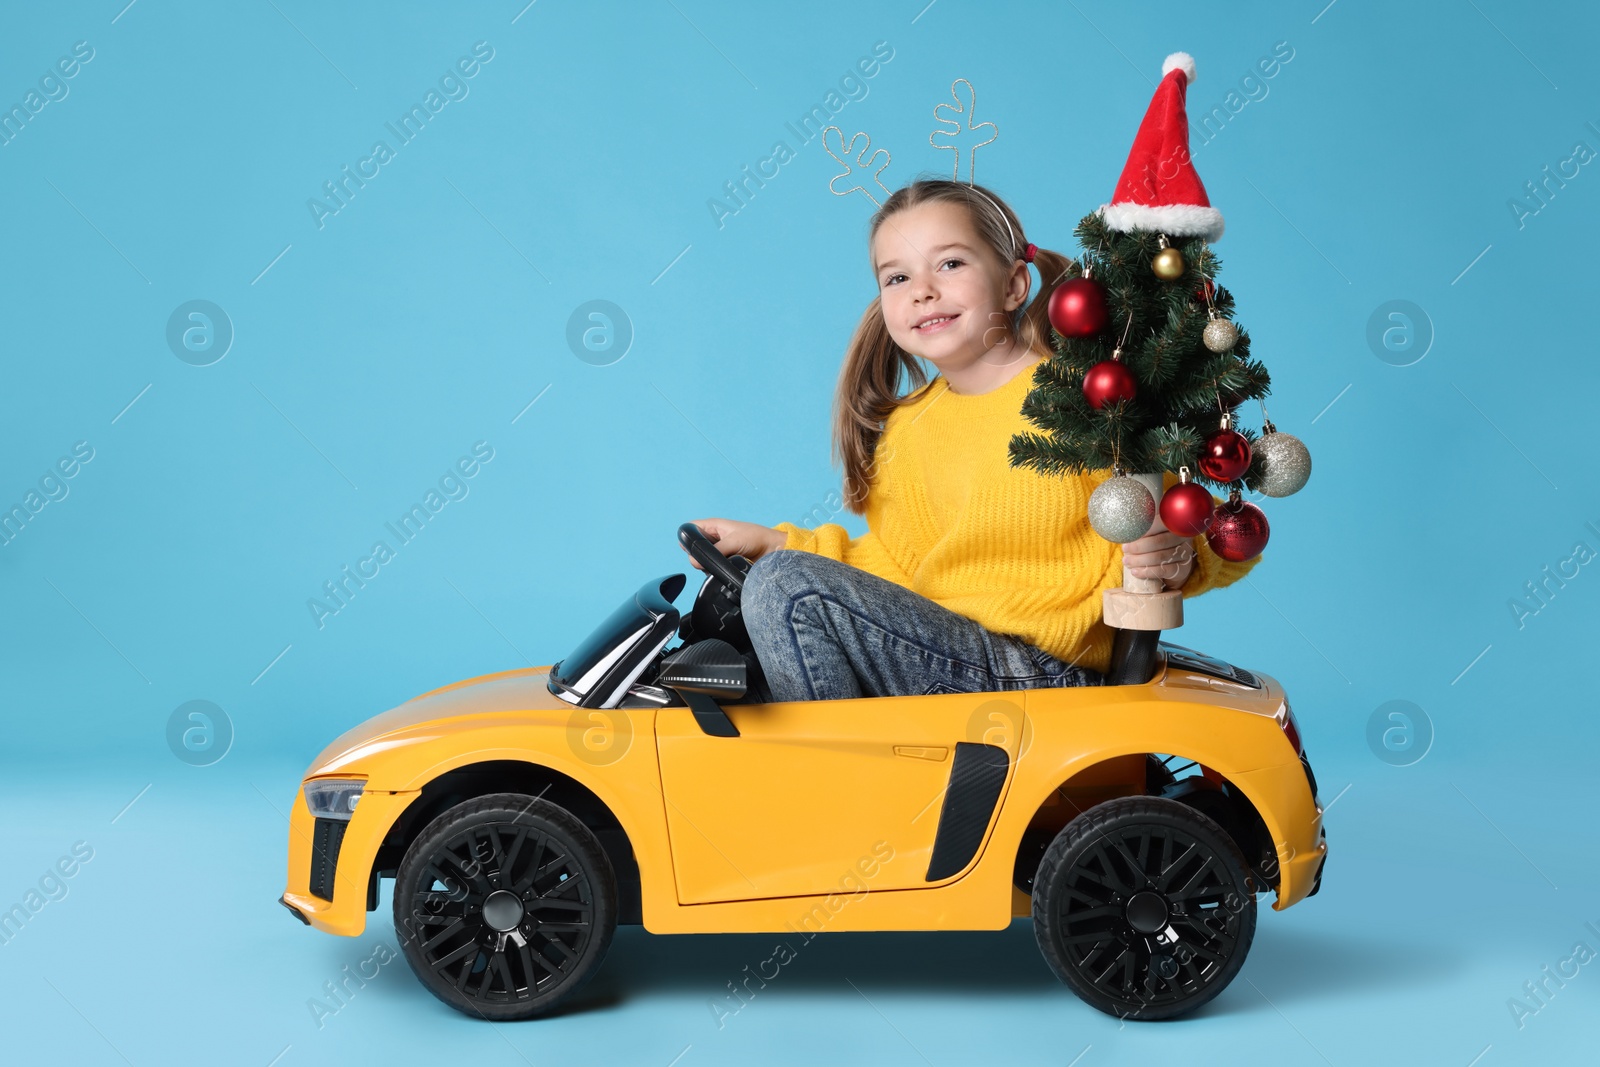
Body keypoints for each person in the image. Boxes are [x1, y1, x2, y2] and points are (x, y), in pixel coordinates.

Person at [685, 178, 1259, 703]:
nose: (923, 292)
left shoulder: (1082, 394)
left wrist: (1181, 558)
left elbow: (1197, 516)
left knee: (786, 591)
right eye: (897, 277)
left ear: (1013, 285)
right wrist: (776, 543)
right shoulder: (909, 429)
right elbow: (897, 567)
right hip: (948, 654)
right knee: (770, 605)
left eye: (951, 263)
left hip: (1045, 673)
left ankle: (840, 790)